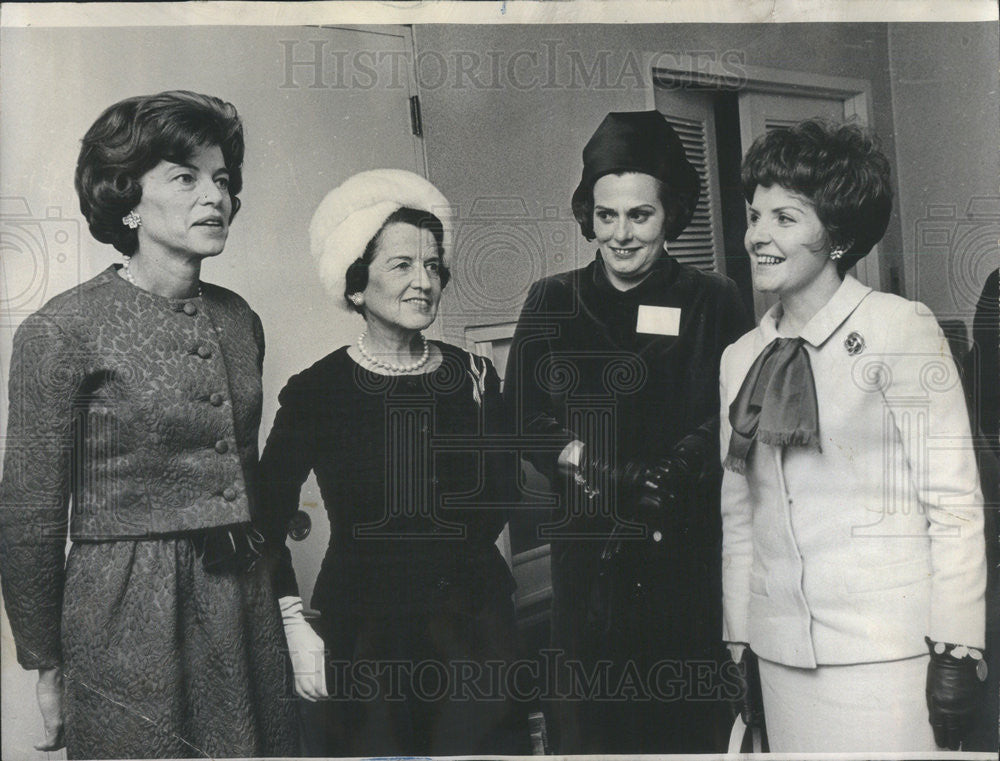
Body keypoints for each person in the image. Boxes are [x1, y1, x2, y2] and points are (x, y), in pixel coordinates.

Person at [0, 91, 298, 758]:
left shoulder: (238, 318)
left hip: (239, 600)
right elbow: (30, 513)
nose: (215, 196)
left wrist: (284, 606)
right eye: (186, 177)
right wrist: (43, 661)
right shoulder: (61, 330)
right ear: (127, 199)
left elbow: (244, 480)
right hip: (124, 609)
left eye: (223, 180)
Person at [720, 119, 987, 752]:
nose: (758, 235)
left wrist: (955, 646)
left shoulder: (901, 329)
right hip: (779, 656)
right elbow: (739, 516)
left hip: (889, 658)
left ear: (836, 235)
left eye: (785, 218)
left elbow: (953, 504)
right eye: (755, 215)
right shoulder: (740, 356)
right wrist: (742, 643)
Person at [503, 110, 752, 754]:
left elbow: (737, 406)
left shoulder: (714, 298)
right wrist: (579, 456)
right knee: (595, 728)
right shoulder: (552, 299)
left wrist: (679, 468)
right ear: (589, 213)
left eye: (639, 215)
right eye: (607, 215)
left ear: (670, 214)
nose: (620, 234)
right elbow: (518, 416)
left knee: (687, 726)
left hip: (688, 557)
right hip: (590, 563)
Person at [258, 169, 528, 757]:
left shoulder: (475, 375)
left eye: (432, 266)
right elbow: (264, 517)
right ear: (357, 285)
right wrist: (291, 620)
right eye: (401, 265)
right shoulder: (317, 390)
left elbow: (504, 497)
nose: (424, 281)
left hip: (475, 631)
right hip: (368, 638)